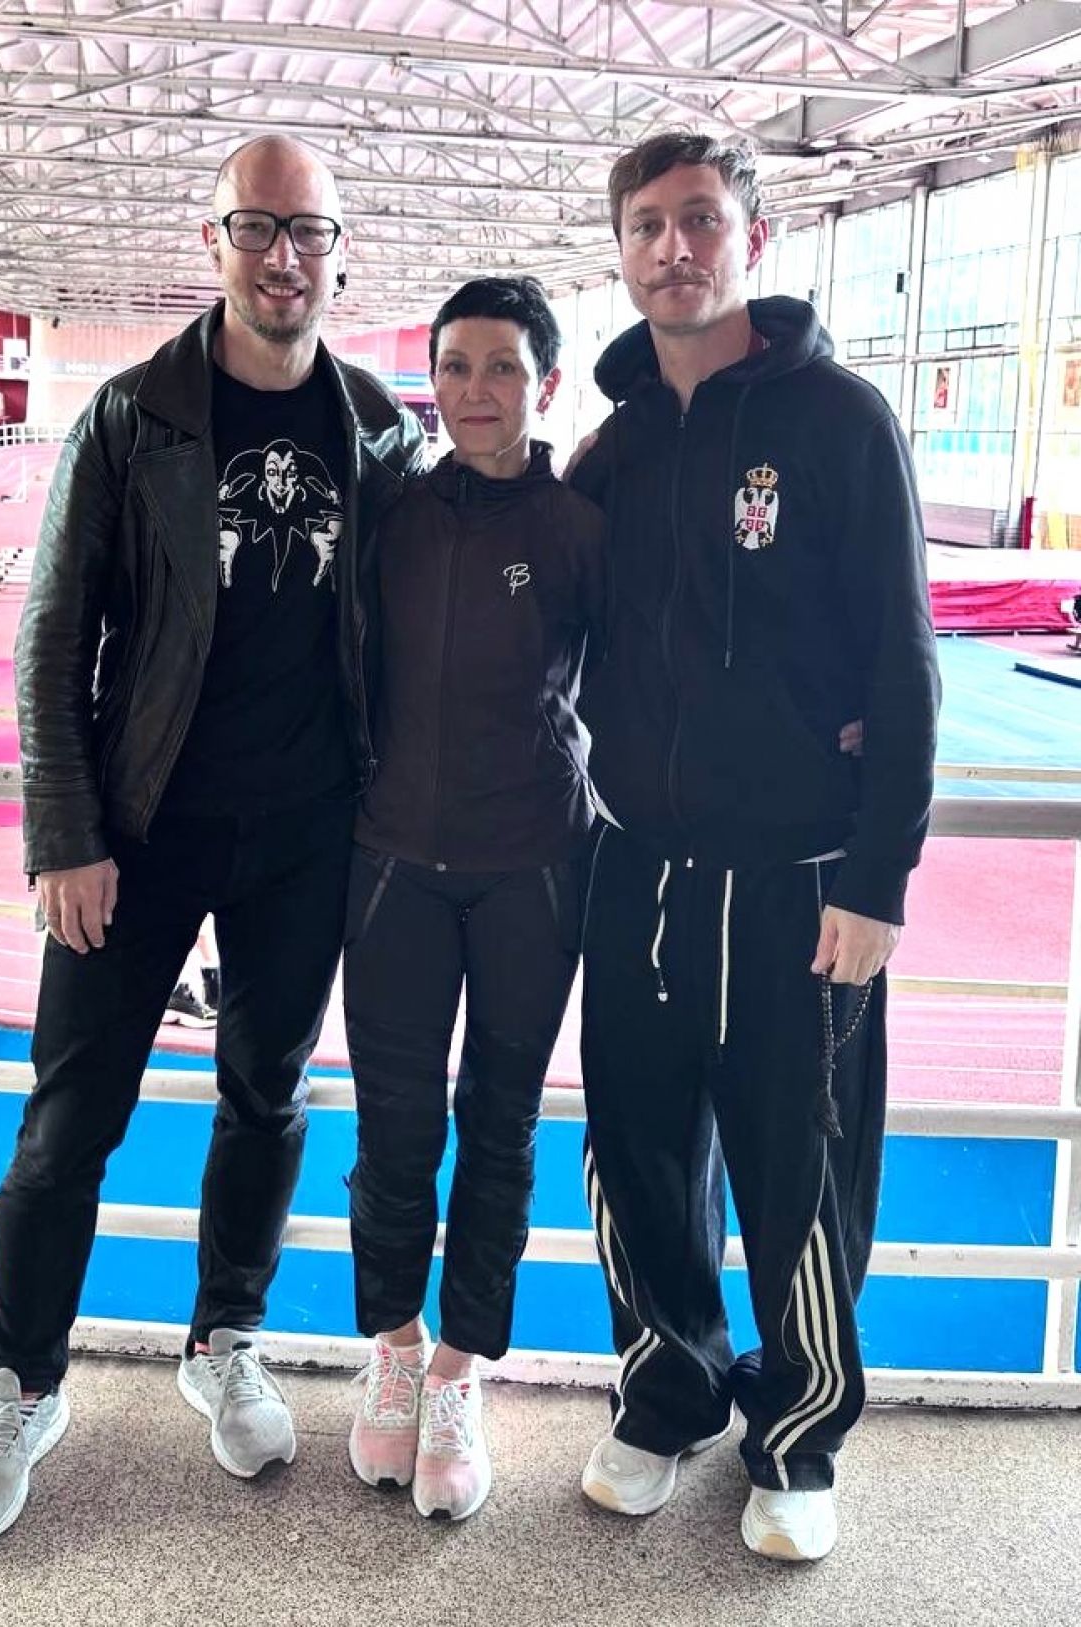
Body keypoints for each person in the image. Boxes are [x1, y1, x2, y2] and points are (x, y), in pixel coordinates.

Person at [0, 134, 424, 1543]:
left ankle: (224, 1337)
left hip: (307, 835)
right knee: (68, 1118)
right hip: (138, 830)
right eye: (257, 227)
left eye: (309, 231)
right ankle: (22, 1381)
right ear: (214, 242)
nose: (284, 256)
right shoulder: (130, 414)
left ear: (340, 253)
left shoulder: (376, 426)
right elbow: (51, 634)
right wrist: (65, 831)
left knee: (269, 1096)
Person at [568, 130, 939, 1561]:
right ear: (620, 250)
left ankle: (797, 1432)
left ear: (753, 238)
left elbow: (903, 663)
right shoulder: (611, 452)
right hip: (639, 873)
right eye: (647, 225)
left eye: (702, 219)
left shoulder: (839, 420)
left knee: (804, 1177)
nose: (674, 247)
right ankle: (668, 1390)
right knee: (637, 1155)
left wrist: (878, 877)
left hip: (801, 882)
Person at [342, 277, 604, 1521]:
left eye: (502, 368)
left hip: (532, 868)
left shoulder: (579, 527)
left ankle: (459, 1369)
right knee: (392, 1124)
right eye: (455, 367)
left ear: (543, 383)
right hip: (394, 862)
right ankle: (394, 1348)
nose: (476, 392)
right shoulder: (391, 513)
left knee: (499, 1123)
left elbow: (653, 680)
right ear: (431, 380)